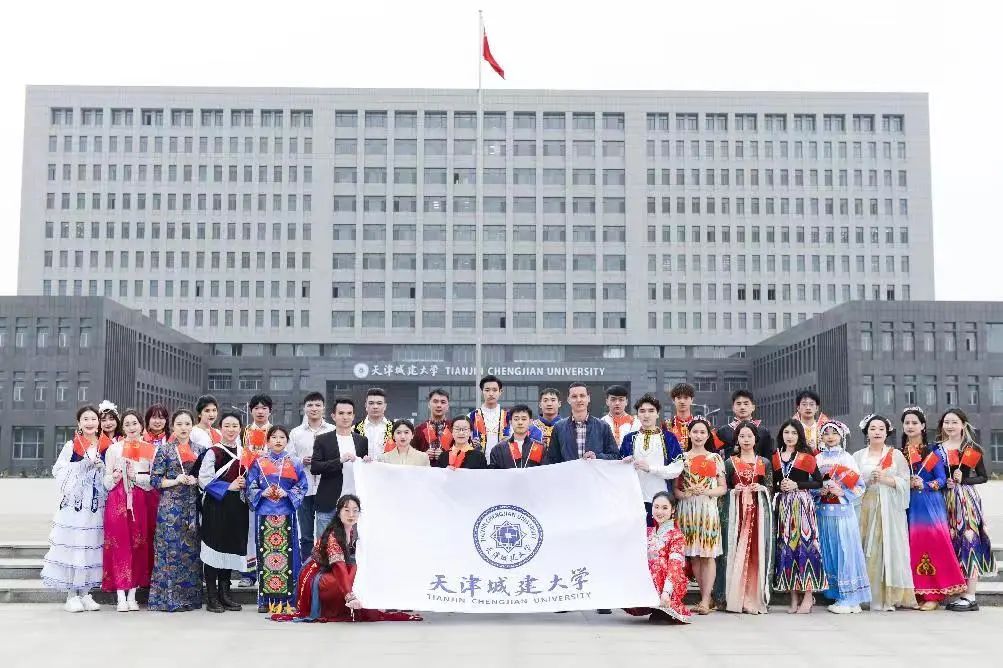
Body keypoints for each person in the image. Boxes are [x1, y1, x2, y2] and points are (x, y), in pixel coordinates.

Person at [272, 494, 421, 623]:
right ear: (338, 513)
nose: (351, 514)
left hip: (335, 570)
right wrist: (349, 596)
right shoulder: (334, 536)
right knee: (353, 572)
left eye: (355, 511)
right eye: (347, 510)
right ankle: (349, 603)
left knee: (363, 570)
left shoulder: (356, 530)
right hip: (317, 574)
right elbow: (339, 567)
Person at [40, 405, 110, 612]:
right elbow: (58, 470)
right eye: (85, 419)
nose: (90, 423)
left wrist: (103, 469)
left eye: (93, 419)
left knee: (92, 546)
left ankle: (86, 593)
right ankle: (71, 595)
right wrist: (81, 466)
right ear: (79, 423)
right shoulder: (72, 445)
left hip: (97, 505)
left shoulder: (107, 445)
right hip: (75, 505)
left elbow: (112, 474)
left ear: (99, 422)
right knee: (74, 546)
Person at [900, 407, 966, 610]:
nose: (910, 426)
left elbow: (941, 480)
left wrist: (925, 484)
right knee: (911, 547)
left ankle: (934, 595)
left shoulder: (932, 452)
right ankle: (917, 593)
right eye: (907, 423)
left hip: (929, 504)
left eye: (914, 423)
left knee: (932, 545)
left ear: (922, 426)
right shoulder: (899, 453)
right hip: (907, 505)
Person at [853, 414, 917, 611]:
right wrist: (868, 480)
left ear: (887, 432)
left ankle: (889, 596)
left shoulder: (896, 455)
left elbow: (905, 482)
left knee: (888, 548)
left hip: (889, 509)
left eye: (881, 429)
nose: (877, 432)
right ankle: (867, 594)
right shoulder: (858, 456)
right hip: (866, 508)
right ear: (866, 432)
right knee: (867, 548)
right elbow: (852, 484)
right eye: (873, 428)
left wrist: (885, 479)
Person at [246, 425, 310, 613]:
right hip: (264, 514)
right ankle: (265, 601)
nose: (278, 440)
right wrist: (262, 492)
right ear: (268, 441)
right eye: (274, 437)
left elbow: (302, 486)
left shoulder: (295, 462)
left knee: (289, 557)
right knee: (264, 556)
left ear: (287, 441)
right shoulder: (259, 462)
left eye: (282, 437)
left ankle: (288, 601)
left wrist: (287, 493)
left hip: (286, 514)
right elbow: (250, 485)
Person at [939, 408, 995, 612]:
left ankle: (970, 596)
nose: (950, 426)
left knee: (969, 541)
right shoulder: (937, 449)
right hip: (944, 499)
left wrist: (964, 480)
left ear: (963, 424)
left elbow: (983, 476)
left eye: (954, 422)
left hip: (965, 501)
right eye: (946, 422)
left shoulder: (971, 449)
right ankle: (957, 592)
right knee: (951, 543)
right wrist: (943, 482)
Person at [102, 408, 157, 612]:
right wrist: (115, 477)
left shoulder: (149, 449)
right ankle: (120, 595)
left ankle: (133, 594)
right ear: (122, 427)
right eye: (127, 424)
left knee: (139, 544)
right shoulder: (114, 449)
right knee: (119, 544)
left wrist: (137, 477)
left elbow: (153, 481)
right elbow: (106, 481)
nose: (131, 427)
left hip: (141, 500)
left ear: (141, 426)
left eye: (135, 423)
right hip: (117, 499)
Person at [149, 409, 204, 612]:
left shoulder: (200, 449)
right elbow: (155, 480)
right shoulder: (165, 450)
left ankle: (190, 599)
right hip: (170, 508)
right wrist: (175, 480)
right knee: (170, 551)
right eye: (179, 424)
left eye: (187, 424)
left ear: (192, 426)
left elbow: (207, 476)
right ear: (172, 426)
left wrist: (197, 480)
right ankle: (168, 600)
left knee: (191, 553)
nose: (183, 428)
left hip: (192, 506)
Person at [815, 420, 871, 615]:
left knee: (845, 551)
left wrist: (842, 492)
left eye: (834, 433)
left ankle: (850, 597)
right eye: (826, 433)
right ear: (821, 437)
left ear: (841, 436)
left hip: (843, 512)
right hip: (823, 511)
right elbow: (812, 484)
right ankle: (838, 595)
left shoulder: (847, 458)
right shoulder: (817, 458)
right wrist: (819, 491)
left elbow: (860, 486)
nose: (830, 436)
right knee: (829, 551)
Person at [771, 419, 827, 613]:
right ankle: (793, 597)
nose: (790, 436)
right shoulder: (775, 457)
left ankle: (809, 596)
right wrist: (779, 486)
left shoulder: (806, 456)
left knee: (806, 547)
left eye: (794, 433)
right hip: (784, 506)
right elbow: (773, 483)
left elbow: (818, 482)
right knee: (787, 549)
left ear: (799, 435)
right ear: (781, 435)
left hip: (803, 504)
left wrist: (798, 485)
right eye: (786, 432)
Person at [198, 411, 250, 613]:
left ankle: (225, 594)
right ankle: (212, 597)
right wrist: (229, 486)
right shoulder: (214, 452)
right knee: (213, 549)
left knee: (229, 548)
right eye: (227, 425)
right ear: (220, 428)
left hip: (237, 507)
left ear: (240, 428)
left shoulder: (245, 452)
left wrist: (246, 483)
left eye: (235, 426)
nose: (231, 429)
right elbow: (204, 480)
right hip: (216, 505)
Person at [673, 416, 726, 615]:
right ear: (689, 434)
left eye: (703, 432)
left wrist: (706, 491)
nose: (698, 435)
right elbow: (675, 490)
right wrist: (686, 494)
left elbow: (722, 488)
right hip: (687, 510)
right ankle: (706, 598)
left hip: (707, 509)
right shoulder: (681, 458)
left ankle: (705, 600)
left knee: (708, 554)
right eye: (695, 431)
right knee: (694, 555)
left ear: (708, 435)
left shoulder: (715, 458)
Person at [722, 421, 774, 614]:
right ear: (737, 439)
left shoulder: (764, 462)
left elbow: (770, 487)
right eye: (742, 436)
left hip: (758, 512)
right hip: (737, 513)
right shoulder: (730, 463)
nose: (745, 440)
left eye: (749, 436)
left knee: (756, 552)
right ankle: (736, 597)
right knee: (736, 551)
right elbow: (723, 488)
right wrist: (733, 490)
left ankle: (754, 597)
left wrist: (761, 488)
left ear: (755, 439)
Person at [624, 492, 693, 624]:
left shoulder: (676, 535)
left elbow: (675, 566)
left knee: (658, 562)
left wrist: (666, 592)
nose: (659, 511)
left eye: (664, 508)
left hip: (670, 582)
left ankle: (664, 605)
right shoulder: (647, 532)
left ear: (673, 510)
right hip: (649, 582)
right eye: (656, 507)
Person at [619, 394, 684, 525]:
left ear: (657, 414)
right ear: (637, 415)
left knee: (659, 535)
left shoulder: (668, 438)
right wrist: (623, 464)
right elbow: (619, 470)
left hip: (661, 501)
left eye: (651, 411)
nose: (646, 415)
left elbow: (677, 468)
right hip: (634, 499)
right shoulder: (629, 438)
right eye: (642, 411)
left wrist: (651, 469)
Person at [312, 397, 368, 540]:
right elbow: (315, 467)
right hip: (328, 501)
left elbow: (364, 470)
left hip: (354, 502)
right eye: (341, 413)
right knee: (324, 545)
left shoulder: (362, 441)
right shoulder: (322, 439)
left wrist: (367, 462)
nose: (345, 417)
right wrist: (339, 461)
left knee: (352, 545)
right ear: (333, 416)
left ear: (354, 416)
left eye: (349, 413)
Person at [289, 392, 334, 559]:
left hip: (326, 487)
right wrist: (302, 461)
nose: (314, 408)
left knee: (326, 533)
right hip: (304, 487)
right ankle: (307, 566)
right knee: (306, 534)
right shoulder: (296, 433)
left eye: (317, 405)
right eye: (310, 405)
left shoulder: (333, 430)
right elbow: (289, 458)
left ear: (324, 408)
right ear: (304, 408)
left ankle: (325, 565)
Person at [240, 393, 273, 587]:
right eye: (256, 408)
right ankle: (248, 574)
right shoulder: (243, 432)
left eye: (264, 408)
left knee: (269, 529)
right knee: (248, 530)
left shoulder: (275, 432)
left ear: (270, 411)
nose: (260, 412)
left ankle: (269, 572)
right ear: (251, 410)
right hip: (248, 486)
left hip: (271, 487)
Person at [545, 382, 620, 464]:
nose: (579, 400)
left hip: (593, 472)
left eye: (582, 396)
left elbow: (615, 456)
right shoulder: (559, 427)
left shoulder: (603, 426)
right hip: (569, 472)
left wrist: (597, 457)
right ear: (568, 400)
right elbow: (552, 460)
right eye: (574, 396)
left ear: (588, 398)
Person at [716, 390, 775, 459]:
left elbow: (768, 458)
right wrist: (733, 450)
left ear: (753, 407)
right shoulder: (723, 431)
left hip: (757, 465)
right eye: (738, 404)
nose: (742, 407)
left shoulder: (763, 431)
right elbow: (716, 456)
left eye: (746, 404)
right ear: (733, 408)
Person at [665, 383, 723, 451]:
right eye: (679, 398)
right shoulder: (666, 425)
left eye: (686, 398)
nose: (682, 401)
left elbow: (715, 448)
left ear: (692, 400)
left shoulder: (704, 424)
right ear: (673, 400)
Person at [470, 375, 509, 460]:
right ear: (482, 391)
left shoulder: (508, 416)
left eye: (495, 390)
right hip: (478, 463)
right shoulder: (472, 416)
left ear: (500, 392)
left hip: (503, 464)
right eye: (487, 390)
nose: (491, 394)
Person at [413, 388, 452, 465]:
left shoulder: (454, 428)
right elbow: (410, 454)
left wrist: (445, 456)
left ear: (448, 406)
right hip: (425, 470)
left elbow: (461, 452)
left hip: (448, 471)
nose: (439, 405)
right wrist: (423, 456)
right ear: (429, 405)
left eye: (443, 402)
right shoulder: (419, 429)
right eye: (435, 401)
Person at [354, 387, 393, 457]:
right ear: (366, 405)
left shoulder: (395, 428)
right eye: (371, 403)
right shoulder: (354, 429)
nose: (375, 406)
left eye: (379, 403)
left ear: (385, 406)